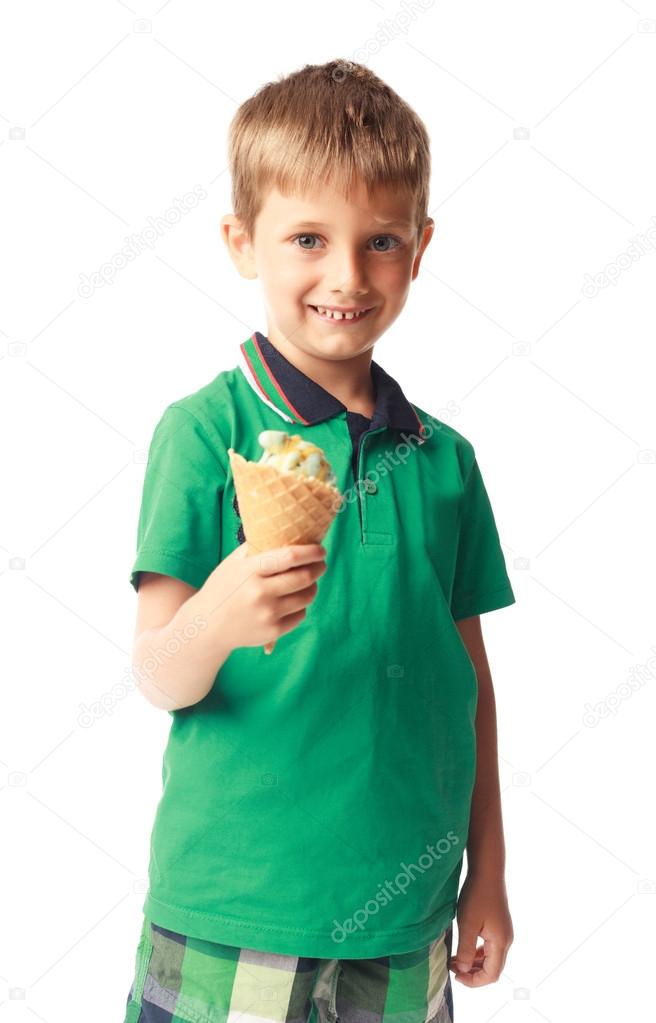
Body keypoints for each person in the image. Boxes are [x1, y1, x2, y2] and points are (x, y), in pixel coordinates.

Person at [123, 58, 515, 1023]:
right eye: (308, 237)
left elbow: (469, 680)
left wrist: (488, 870)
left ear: (419, 250)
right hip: (233, 909)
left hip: (404, 916)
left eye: (380, 241)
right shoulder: (205, 431)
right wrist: (217, 614)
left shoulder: (444, 460)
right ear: (241, 242)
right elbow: (159, 674)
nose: (347, 275)